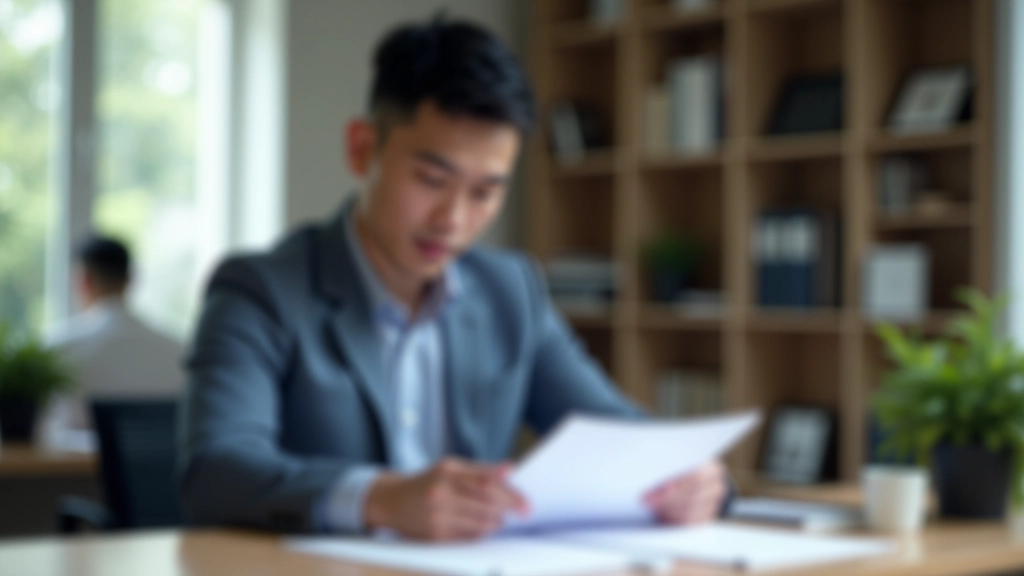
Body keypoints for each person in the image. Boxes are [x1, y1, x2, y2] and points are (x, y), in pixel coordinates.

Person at [178, 16, 728, 540]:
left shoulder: (510, 291)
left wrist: (695, 479)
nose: (454, 220)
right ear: (362, 148)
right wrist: (382, 499)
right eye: (432, 179)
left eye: (485, 191)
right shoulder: (260, 292)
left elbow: (616, 434)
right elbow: (216, 471)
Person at [41, 236, 185, 445]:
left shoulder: (56, 348)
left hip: (73, 475)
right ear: (131, 279)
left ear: (83, 281)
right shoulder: (179, 350)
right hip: (158, 473)